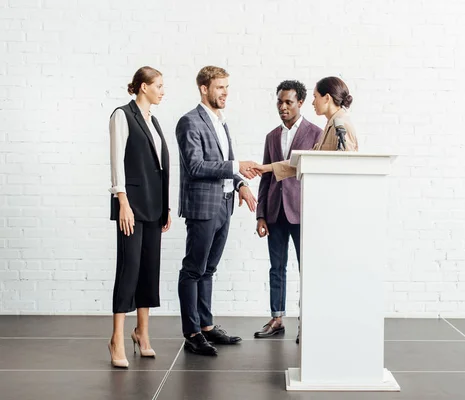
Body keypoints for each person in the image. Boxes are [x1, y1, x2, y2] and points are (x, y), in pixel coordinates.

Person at [175, 66, 259, 356]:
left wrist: (240, 185)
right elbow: (196, 166)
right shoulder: (189, 122)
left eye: (227, 87)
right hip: (203, 206)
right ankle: (192, 333)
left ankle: (207, 326)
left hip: (224, 204)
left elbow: (227, 162)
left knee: (208, 269)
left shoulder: (221, 121)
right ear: (203, 88)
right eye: (220, 87)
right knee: (193, 269)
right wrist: (237, 167)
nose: (225, 92)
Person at [108, 66, 171, 368]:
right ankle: (116, 338)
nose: (162, 90)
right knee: (129, 268)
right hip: (131, 206)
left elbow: (160, 167)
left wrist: (166, 207)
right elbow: (117, 159)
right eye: (158, 85)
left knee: (149, 269)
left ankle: (142, 333)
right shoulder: (123, 115)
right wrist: (122, 201)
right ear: (143, 87)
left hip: (154, 207)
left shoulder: (153, 121)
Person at [253, 80, 321, 342]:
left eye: (288, 102)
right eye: (279, 102)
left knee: (308, 269)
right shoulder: (271, 136)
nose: (283, 107)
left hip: (303, 213)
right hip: (274, 212)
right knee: (276, 267)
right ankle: (277, 318)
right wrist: (260, 214)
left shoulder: (316, 133)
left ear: (300, 103)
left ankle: (308, 322)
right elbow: (265, 177)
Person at [253, 76, 358, 182]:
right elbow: (305, 160)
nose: (313, 102)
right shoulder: (331, 124)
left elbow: (347, 168)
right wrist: (268, 168)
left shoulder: (341, 125)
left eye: (315, 97)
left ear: (326, 98)